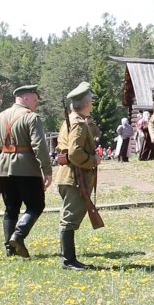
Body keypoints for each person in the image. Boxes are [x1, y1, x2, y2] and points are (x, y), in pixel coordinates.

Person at [0, 84, 52, 258]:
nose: (36, 104)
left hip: (3, 169)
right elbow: (39, 145)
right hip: (27, 169)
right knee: (35, 205)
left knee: (11, 209)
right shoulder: (32, 118)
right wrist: (47, 169)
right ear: (25, 98)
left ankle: (10, 250)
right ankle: (17, 236)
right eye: (35, 100)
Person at [54, 82, 100, 270]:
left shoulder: (71, 120)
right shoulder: (79, 124)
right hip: (74, 177)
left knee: (67, 217)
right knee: (69, 219)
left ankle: (68, 257)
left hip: (67, 176)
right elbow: (74, 153)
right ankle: (68, 260)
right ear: (87, 103)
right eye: (91, 101)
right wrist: (93, 160)